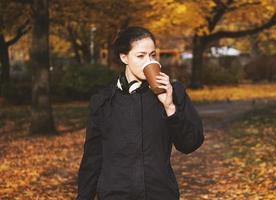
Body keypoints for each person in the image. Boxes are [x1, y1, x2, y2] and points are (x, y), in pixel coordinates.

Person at [76, 26, 204, 200]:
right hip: (114, 194)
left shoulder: (173, 92)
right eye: (140, 56)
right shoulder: (102, 101)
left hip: (159, 193)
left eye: (152, 55)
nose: (148, 62)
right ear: (124, 57)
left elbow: (190, 144)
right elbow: (92, 157)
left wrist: (170, 107)